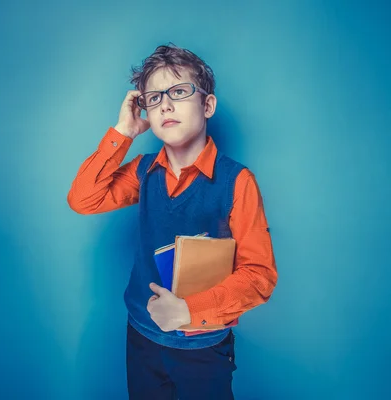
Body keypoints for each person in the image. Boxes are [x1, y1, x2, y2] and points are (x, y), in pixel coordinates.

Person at [68, 43, 278, 400]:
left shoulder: (237, 182)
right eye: (153, 97)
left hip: (203, 347)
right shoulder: (144, 171)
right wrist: (124, 132)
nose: (165, 104)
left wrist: (188, 310)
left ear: (207, 105)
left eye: (179, 91)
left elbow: (259, 275)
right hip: (142, 337)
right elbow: (84, 199)